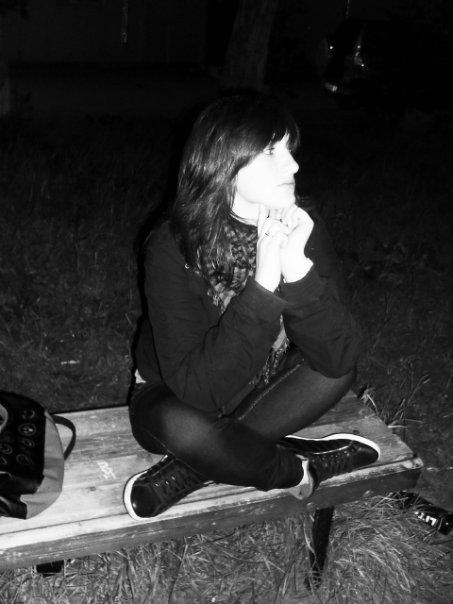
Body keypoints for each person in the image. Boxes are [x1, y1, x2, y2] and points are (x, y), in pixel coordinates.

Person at [123, 93, 379, 520]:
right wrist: (263, 285)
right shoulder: (173, 245)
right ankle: (298, 468)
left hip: (261, 383)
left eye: (290, 150)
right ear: (224, 163)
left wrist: (296, 267)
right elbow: (197, 391)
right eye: (271, 152)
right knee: (183, 427)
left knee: (335, 368)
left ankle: (197, 468)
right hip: (174, 392)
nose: (293, 166)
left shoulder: (301, 225)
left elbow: (338, 357)